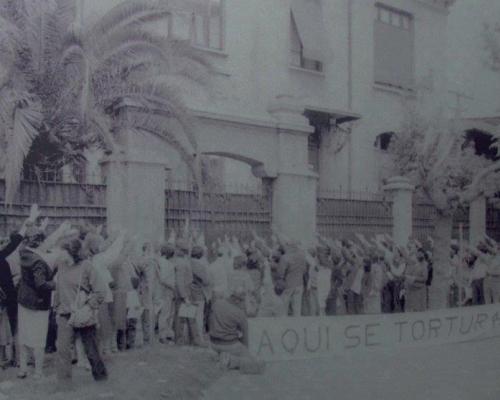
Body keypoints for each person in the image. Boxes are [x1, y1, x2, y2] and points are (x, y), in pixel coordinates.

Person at [53, 238, 107, 390]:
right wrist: (56, 308)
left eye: (62, 251)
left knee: (91, 349)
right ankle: (64, 385)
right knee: (63, 349)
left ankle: (101, 378)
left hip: (83, 314)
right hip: (64, 315)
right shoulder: (61, 265)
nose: (59, 253)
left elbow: (100, 290)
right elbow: (59, 288)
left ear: (71, 252)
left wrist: (89, 307)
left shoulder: (86, 266)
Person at [17, 230, 56, 379]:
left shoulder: (24, 253)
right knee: (39, 337)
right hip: (38, 303)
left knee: (24, 335)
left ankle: (23, 369)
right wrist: (55, 284)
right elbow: (41, 284)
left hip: (23, 300)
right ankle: (38, 371)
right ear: (40, 243)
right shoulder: (38, 261)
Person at [209, 286, 264, 374]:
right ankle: (231, 361)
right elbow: (245, 337)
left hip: (213, 343)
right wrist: (245, 351)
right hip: (229, 345)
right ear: (238, 300)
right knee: (255, 363)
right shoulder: (239, 313)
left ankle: (219, 355)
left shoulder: (217, 303)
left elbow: (210, 322)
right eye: (243, 300)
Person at [275, 242, 308, 316]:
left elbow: (280, 273)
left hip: (288, 285)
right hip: (299, 284)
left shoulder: (285, 257)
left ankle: (283, 325)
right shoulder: (302, 256)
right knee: (297, 309)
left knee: (283, 308)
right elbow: (304, 270)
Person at [156, 243, 176, 344]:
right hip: (166, 290)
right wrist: (173, 286)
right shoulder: (166, 263)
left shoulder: (160, 261)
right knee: (165, 314)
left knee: (168, 313)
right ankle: (163, 335)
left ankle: (168, 333)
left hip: (166, 290)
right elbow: (162, 279)